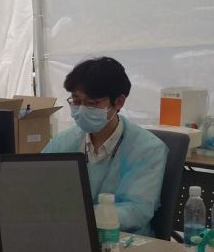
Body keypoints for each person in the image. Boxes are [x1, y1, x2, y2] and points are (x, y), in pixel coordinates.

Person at [43, 56, 167, 236]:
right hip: (71, 235)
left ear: (119, 102)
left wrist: (79, 216)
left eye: (92, 103)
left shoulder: (147, 149)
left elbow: (137, 211)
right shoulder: (63, 142)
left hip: (125, 242)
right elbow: (37, 185)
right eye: (76, 101)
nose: (82, 109)